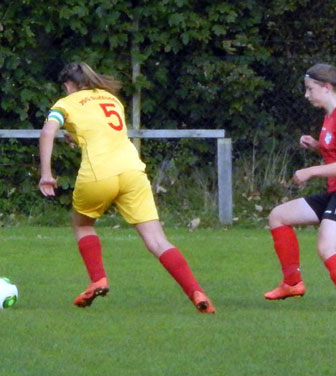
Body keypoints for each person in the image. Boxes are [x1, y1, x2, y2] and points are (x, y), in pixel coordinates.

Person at [38, 62, 215, 314]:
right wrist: (76, 138)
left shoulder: (64, 104)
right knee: (157, 240)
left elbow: (47, 132)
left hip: (99, 174)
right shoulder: (111, 99)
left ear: (68, 85)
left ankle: (98, 279)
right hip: (132, 171)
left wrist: (46, 174)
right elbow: (102, 131)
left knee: (82, 225)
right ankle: (196, 292)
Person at [264, 63, 336, 313]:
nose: (307, 95)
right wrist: (316, 145)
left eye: (310, 89)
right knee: (278, 216)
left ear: (326, 87)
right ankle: (292, 283)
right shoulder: (330, 116)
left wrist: (311, 171)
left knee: (326, 247)